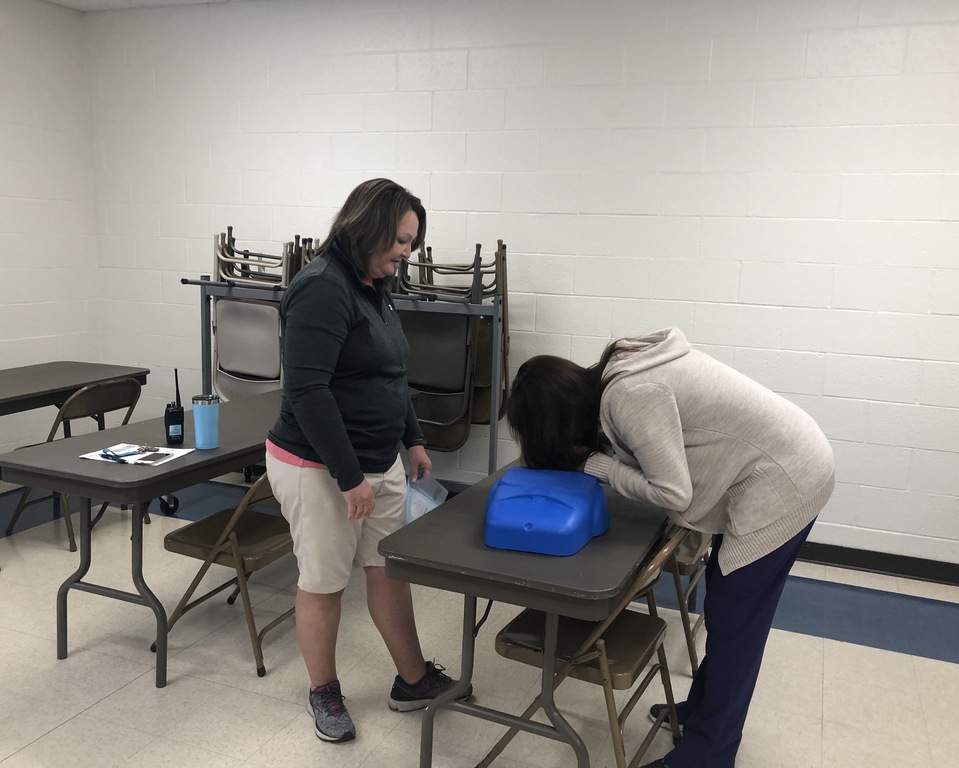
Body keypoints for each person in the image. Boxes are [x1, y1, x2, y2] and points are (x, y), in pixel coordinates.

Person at [505, 328, 834, 768]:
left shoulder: (628, 395)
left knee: (737, 626)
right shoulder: (617, 373)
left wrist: (595, 464)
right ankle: (701, 715)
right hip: (780, 463)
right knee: (725, 610)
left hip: (786, 482)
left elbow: (672, 494)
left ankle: (708, 756)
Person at [265, 178, 469, 744]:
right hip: (318, 467)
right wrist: (349, 476)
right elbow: (307, 393)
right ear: (369, 225)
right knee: (324, 582)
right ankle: (323, 691)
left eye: (412, 243)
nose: (407, 252)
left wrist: (414, 438)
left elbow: (390, 374)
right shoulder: (321, 289)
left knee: (388, 572)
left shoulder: (373, 283)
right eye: (402, 240)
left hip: (380, 461)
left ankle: (412, 680)